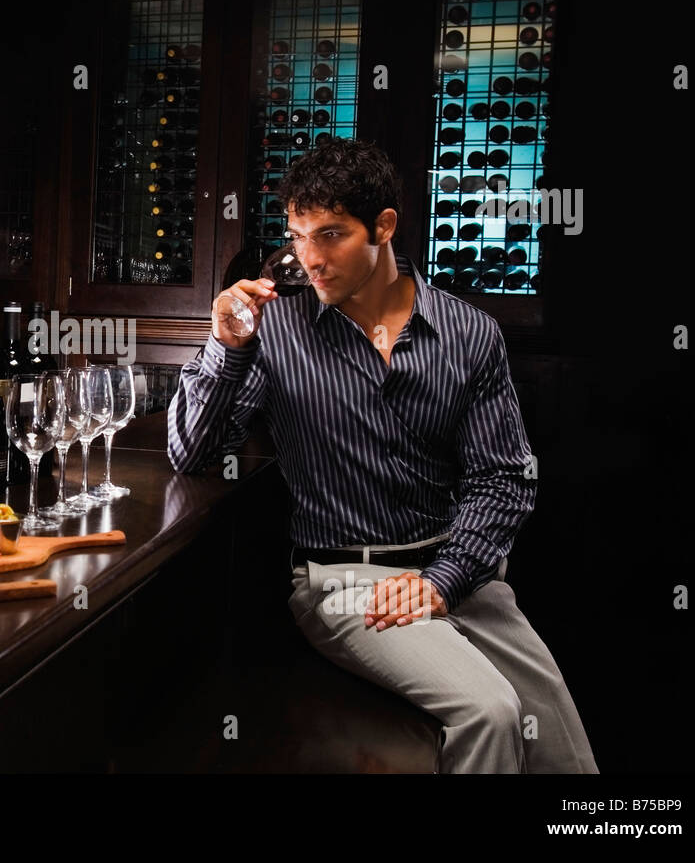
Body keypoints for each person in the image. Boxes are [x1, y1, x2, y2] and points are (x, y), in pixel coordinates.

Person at [167, 138, 597, 773]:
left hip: (463, 574)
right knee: (491, 711)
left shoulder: (468, 332)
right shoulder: (274, 329)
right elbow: (191, 454)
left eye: (331, 235)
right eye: (297, 236)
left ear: (384, 227)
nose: (309, 259)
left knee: (566, 756)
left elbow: (504, 480)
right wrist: (224, 347)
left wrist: (443, 581)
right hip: (343, 583)